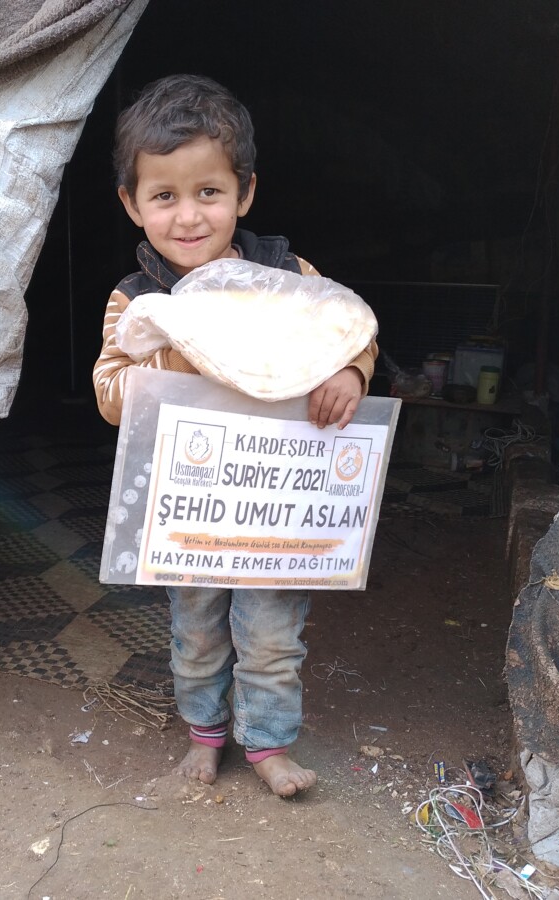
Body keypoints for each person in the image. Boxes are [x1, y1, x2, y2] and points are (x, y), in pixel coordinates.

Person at [92, 74, 377, 797]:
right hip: (185, 510)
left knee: (273, 632)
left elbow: (348, 327)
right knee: (196, 627)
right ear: (132, 204)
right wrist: (186, 354)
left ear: (243, 192)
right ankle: (205, 734)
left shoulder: (288, 277)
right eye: (164, 197)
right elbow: (109, 393)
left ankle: (270, 745)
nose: (188, 217)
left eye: (209, 193)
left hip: (276, 508)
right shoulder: (136, 298)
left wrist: (352, 373)